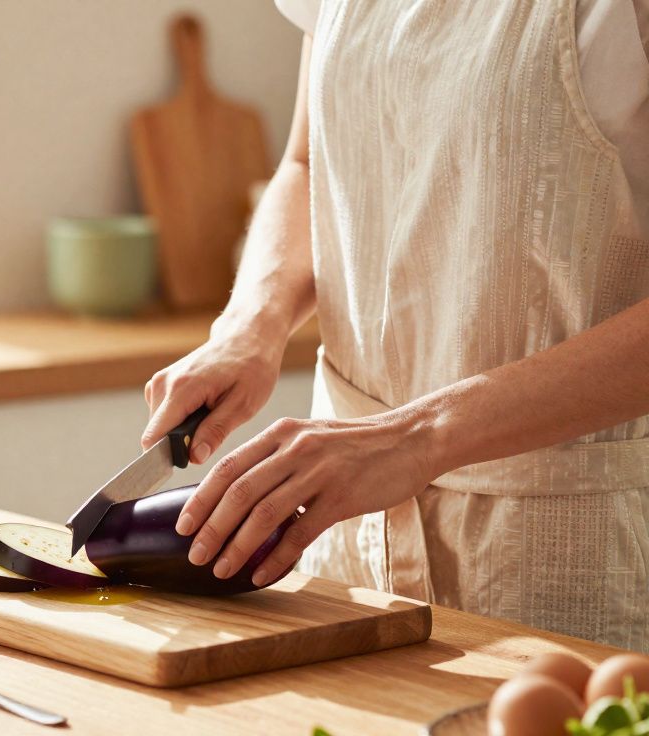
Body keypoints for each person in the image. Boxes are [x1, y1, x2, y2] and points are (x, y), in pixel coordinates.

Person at [142, 0, 649, 651]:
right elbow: (307, 163)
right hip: (343, 544)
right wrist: (251, 324)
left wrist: (417, 435)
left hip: (569, 572)